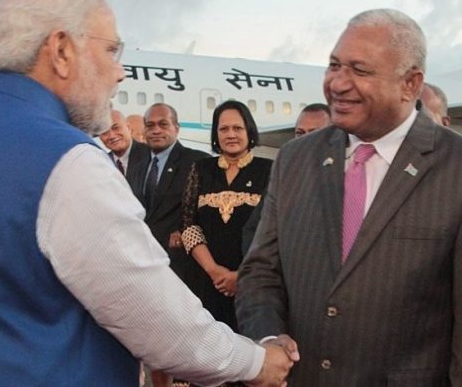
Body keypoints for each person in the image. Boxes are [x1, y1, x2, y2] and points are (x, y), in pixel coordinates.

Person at [0, 0, 294, 385]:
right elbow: (164, 326)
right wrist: (258, 362)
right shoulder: (68, 162)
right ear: (62, 51)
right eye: (111, 50)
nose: (120, 73)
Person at [236, 9, 462, 385]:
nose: (337, 83)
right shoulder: (295, 158)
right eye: (334, 65)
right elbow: (260, 271)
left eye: (360, 70)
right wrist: (269, 337)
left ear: (410, 84)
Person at [127, 103, 209, 387]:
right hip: (146, 268)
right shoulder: (137, 167)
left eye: (163, 124)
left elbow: (204, 212)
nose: (156, 130)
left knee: (183, 341)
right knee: (155, 343)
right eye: (150, 125)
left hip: (181, 269)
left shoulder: (197, 162)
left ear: (176, 127)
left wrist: (183, 230)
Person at [182, 100, 273, 331]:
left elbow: (274, 231)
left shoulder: (270, 170)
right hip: (205, 282)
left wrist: (240, 276)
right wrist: (215, 272)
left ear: (249, 131)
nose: (231, 134)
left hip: (253, 284)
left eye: (237, 128)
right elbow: (189, 225)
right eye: (223, 129)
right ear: (215, 133)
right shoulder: (201, 169)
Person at [241, 103, 332, 255]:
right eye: (300, 133)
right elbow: (254, 231)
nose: (305, 140)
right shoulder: (282, 180)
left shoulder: (347, 177)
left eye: (314, 133)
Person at [99, 109, 150, 185]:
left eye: (116, 128)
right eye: (104, 132)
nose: (112, 136)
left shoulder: (150, 155)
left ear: (128, 128)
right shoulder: (102, 162)